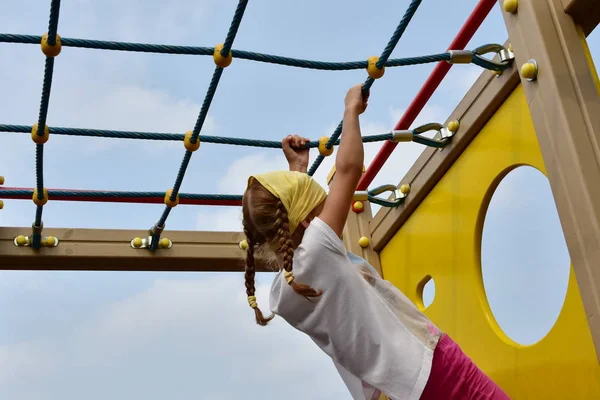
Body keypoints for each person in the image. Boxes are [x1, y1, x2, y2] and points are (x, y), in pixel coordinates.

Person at [241, 84, 510, 400]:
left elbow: (298, 229)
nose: (330, 204)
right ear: (305, 220)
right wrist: (351, 110)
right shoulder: (318, 252)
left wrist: (297, 170)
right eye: (320, 199)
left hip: (405, 389)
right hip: (431, 367)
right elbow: (349, 169)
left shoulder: (285, 293)